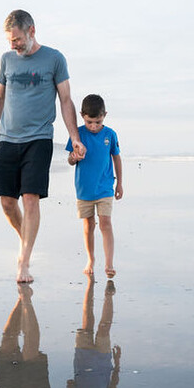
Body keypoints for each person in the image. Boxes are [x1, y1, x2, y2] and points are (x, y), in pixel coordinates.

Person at [0, 10, 85, 284]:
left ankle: (23, 262)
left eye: (16, 39)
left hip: (39, 139)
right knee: (6, 202)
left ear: (32, 31)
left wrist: (74, 137)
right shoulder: (6, 60)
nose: (13, 45)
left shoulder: (54, 58)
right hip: (7, 138)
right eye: (10, 41)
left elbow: (66, 100)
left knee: (30, 198)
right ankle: (26, 239)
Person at [65, 94, 123, 278]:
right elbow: (70, 160)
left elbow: (116, 158)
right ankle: (90, 259)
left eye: (98, 122)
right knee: (88, 225)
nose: (94, 126)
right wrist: (74, 157)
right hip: (84, 189)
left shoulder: (110, 135)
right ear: (82, 115)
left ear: (105, 115)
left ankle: (109, 263)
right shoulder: (78, 134)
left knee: (105, 223)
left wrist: (120, 183)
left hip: (105, 187)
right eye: (90, 122)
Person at [67, 279, 121, 388]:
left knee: (87, 320)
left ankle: (89, 287)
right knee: (104, 329)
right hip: (104, 361)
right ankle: (108, 296)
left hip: (83, 358)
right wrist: (118, 363)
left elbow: (69, 383)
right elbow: (112, 386)